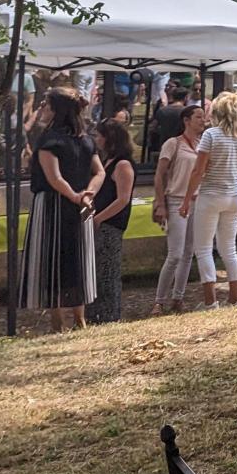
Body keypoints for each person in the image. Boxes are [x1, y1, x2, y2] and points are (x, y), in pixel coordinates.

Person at [20, 91, 104, 332]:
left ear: (56, 110)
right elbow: (99, 172)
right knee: (78, 257)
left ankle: (58, 320)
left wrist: (78, 196)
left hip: (53, 204)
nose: (42, 109)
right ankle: (79, 318)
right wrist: (88, 194)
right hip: (80, 204)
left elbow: (54, 178)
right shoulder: (85, 139)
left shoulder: (49, 140)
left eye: (46, 106)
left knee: (51, 258)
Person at [179, 90, 237, 309]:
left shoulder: (211, 135)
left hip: (211, 194)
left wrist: (186, 200)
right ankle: (234, 297)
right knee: (228, 247)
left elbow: (198, 171)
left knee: (203, 248)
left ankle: (210, 300)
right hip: (235, 193)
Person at [150, 103, 206, 316]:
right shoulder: (173, 144)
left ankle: (178, 297)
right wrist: (160, 202)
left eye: (203, 117)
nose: (202, 121)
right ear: (186, 120)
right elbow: (160, 174)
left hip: (196, 201)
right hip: (176, 199)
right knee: (175, 253)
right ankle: (159, 300)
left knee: (188, 251)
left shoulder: (202, 144)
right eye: (198, 117)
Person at [86, 117, 136, 324]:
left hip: (111, 224)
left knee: (108, 270)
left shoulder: (122, 164)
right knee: (97, 269)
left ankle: (109, 313)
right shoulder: (105, 161)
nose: (96, 139)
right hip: (100, 221)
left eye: (99, 135)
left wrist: (99, 218)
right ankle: (95, 312)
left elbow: (123, 198)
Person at [150, 82, 189, 160]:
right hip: (183, 145)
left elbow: (153, 127)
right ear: (185, 98)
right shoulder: (187, 111)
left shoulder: (162, 110)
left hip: (165, 144)